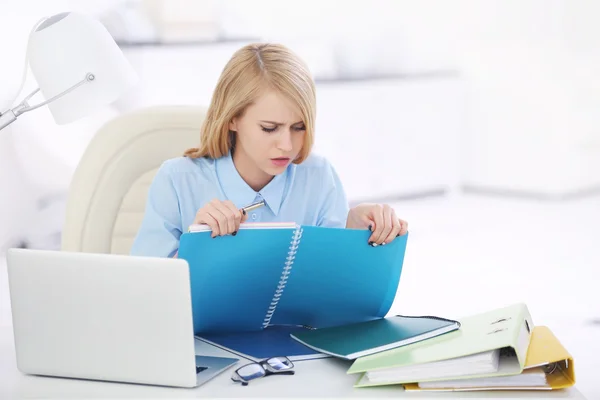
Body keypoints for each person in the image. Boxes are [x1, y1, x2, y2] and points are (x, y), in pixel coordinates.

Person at [130, 43, 408, 258]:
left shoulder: (320, 177)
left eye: (298, 127)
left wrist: (358, 235)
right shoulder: (177, 180)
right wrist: (197, 245)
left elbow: (335, 286)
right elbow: (145, 288)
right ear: (232, 119)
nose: (287, 145)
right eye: (269, 128)